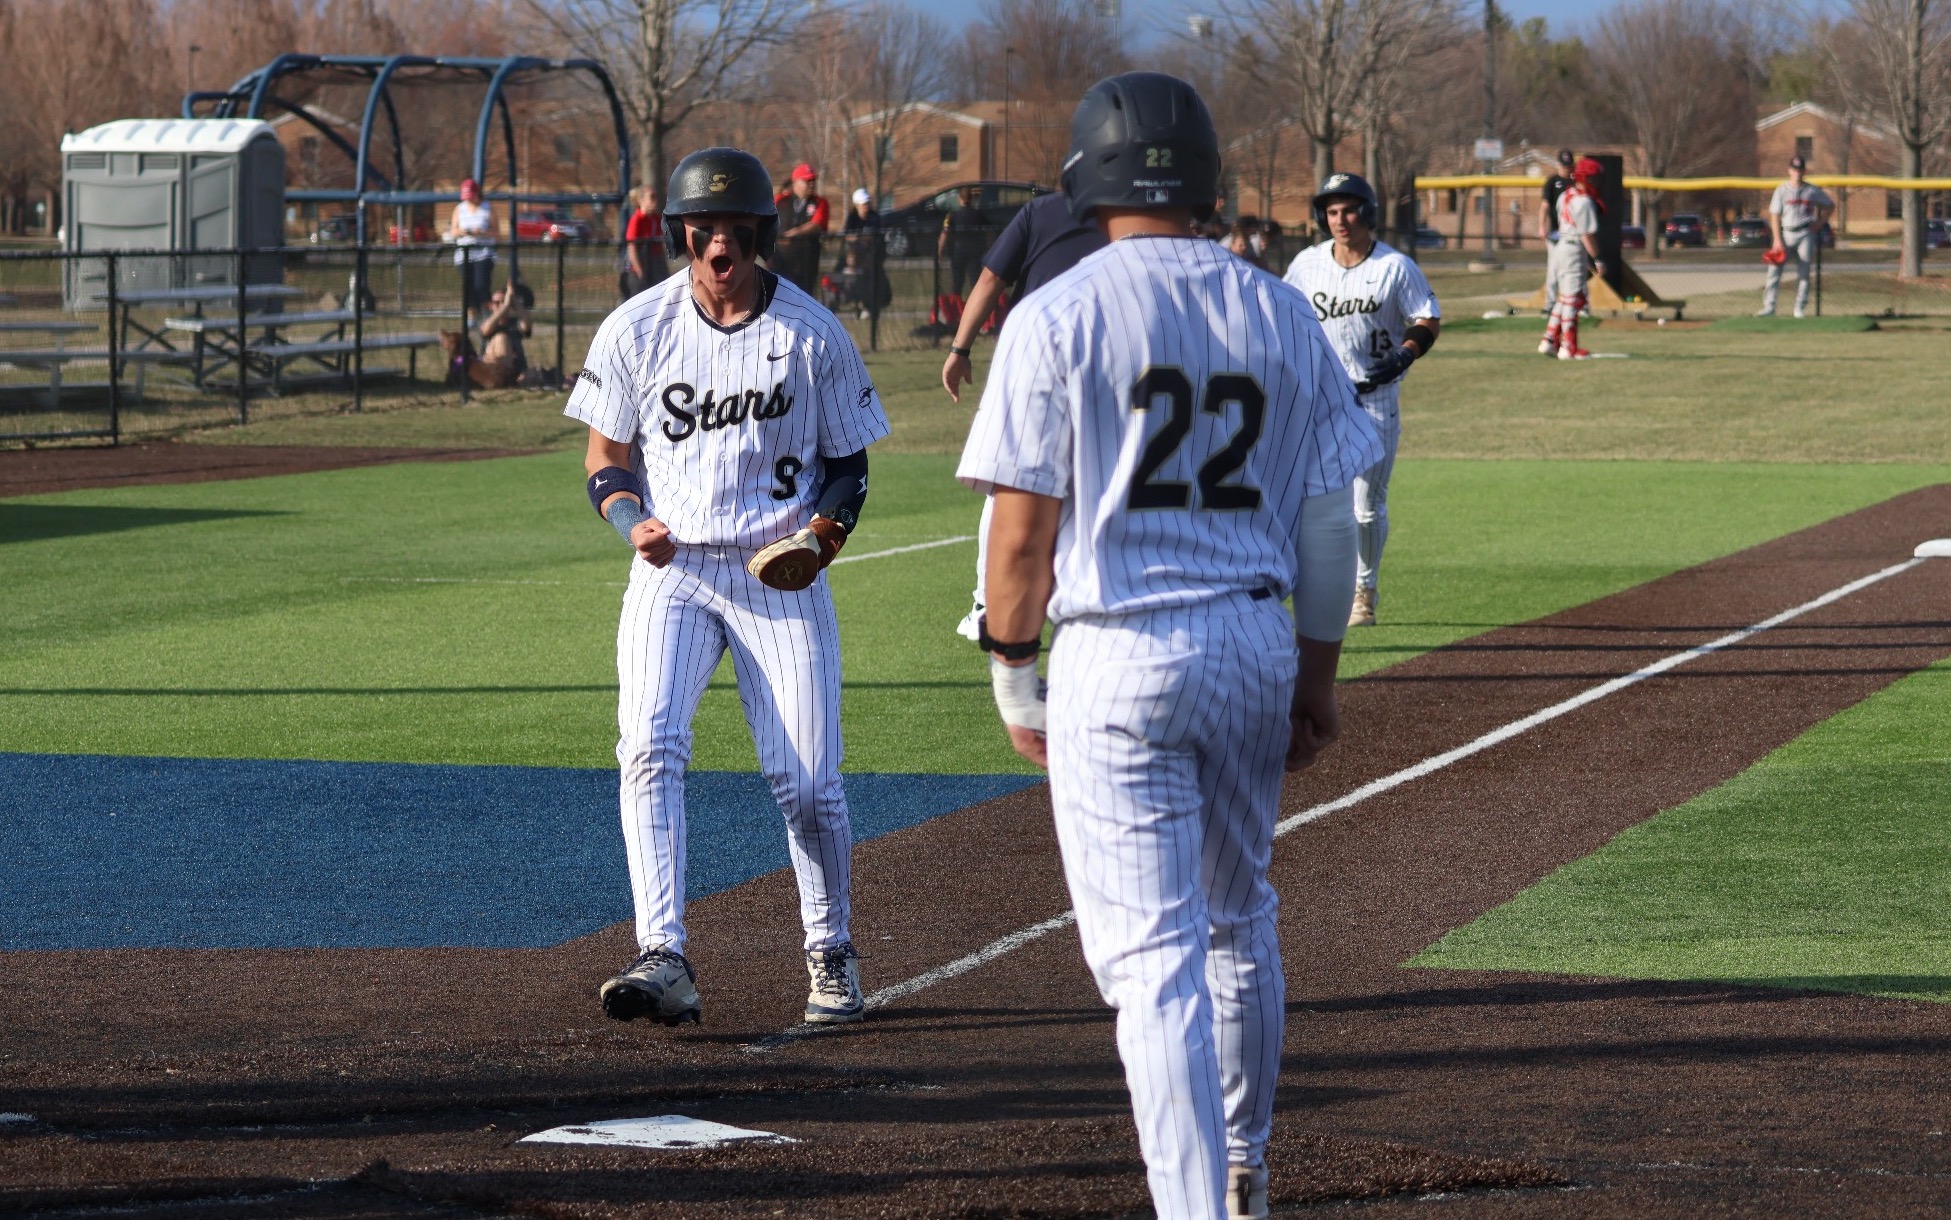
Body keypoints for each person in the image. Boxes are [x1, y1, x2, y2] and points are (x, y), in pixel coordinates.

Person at [957, 72, 1381, 1220]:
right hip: (1250, 630)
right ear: (1203, 176)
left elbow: (1019, 537)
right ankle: (1243, 1167)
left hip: (1121, 647)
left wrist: (1013, 676)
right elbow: (1329, 518)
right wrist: (1316, 673)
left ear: (1086, 176)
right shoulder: (1279, 307)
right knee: (1238, 916)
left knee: (1152, 963)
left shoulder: (1056, 312)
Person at [568, 146, 890, 1029]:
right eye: (702, 229)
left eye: (735, 230)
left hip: (777, 568)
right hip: (672, 571)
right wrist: (628, 519)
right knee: (647, 747)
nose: (718, 245)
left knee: (808, 782)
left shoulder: (811, 334)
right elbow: (605, 456)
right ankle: (662, 952)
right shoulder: (636, 328)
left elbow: (849, 465)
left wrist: (822, 537)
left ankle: (830, 949)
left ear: (760, 235)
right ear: (679, 234)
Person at [939, 189, 1108, 641]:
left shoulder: (1043, 210)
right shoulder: (1133, 213)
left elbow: (990, 279)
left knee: (1007, 480)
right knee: (1100, 475)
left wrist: (960, 348)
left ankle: (988, 604)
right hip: (1109, 357)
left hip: (1033, 355)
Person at [1282, 173, 1442, 629]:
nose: (1340, 220)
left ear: (1367, 213)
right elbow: (1283, 310)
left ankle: (1363, 590)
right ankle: (1302, 581)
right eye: (1331, 212)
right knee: (1304, 497)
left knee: (1365, 505)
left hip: (1374, 399)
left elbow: (1427, 317)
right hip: (1317, 400)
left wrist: (1406, 352)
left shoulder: (1394, 267)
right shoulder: (1306, 264)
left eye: (1349, 210)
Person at [1539, 156, 1604, 360]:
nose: (1596, 183)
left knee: (1564, 297)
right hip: (1573, 249)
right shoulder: (1583, 201)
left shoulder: (1566, 194)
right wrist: (1598, 259)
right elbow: (1586, 234)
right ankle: (1568, 346)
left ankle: (1549, 339)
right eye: (1593, 179)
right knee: (1573, 299)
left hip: (1561, 247)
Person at [1759, 154, 1834, 318]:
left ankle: (1799, 309)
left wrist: (1820, 223)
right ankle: (1769, 307)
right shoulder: (1781, 190)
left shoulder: (1812, 190)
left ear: (1804, 171)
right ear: (1789, 171)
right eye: (1794, 169)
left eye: (1800, 170)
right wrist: (1777, 240)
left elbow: (1830, 205)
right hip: (1785, 234)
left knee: (1804, 273)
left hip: (1805, 234)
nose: (1797, 172)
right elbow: (1774, 216)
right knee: (1773, 272)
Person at [774, 162, 830, 295]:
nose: (812, 184)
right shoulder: (780, 200)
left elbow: (817, 224)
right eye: (807, 181)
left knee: (803, 298)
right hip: (781, 262)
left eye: (813, 180)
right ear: (796, 182)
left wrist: (794, 234)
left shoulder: (819, 202)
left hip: (806, 264)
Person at [445, 177, 495, 322]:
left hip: (483, 253)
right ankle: (471, 316)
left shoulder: (488, 208)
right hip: (464, 253)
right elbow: (453, 231)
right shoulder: (459, 209)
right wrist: (461, 231)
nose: (468, 199)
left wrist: (481, 232)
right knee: (468, 287)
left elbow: (496, 232)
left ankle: (487, 314)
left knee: (481, 285)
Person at [1537, 148, 1575, 310]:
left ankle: (1577, 304)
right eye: (1564, 165)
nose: (1567, 168)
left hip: (1573, 233)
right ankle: (1550, 304)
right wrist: (1541, 226)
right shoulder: (1552, 182)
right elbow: (1544, 206)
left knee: (1574, 270)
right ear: (1558, 164)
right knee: (1553, 269)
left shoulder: (1576, 181)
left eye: (1569, 165)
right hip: (1555, 232)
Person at [938, 185, 991, 301]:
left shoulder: (952, 215)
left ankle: (956, 305)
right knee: (975, 281)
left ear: (959, 198)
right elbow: (988, 233)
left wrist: (940, 250)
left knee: (957, 281)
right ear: (971, 198)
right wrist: (989, 248)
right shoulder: (978, 214)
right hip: (975, 250)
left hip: (959, 250)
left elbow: (945, 233)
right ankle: (976, 303)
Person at [622, 184, 669, 300]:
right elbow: (632, 247)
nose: (655, 201)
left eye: (656, 197)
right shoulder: (637, 220)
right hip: (640, 267)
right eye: (651, 197)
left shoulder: (656, 218)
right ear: (641, 200)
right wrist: (639, 271)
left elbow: (659, 245)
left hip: (654, 266)